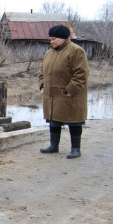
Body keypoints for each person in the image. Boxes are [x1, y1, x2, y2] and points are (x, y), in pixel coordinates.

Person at [38, 24, 89, 159]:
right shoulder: (49, 53)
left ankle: (76, 149)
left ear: (63, 38)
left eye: (54, 39)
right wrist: (42, 85)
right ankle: (54, 146)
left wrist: (70, 90)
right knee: (54, 120)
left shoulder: (76, 51)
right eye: (50, 39)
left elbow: (81, 74)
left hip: (70, 95)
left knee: (74, 121)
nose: (51, 41)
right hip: (52, 94)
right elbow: (42, 72)